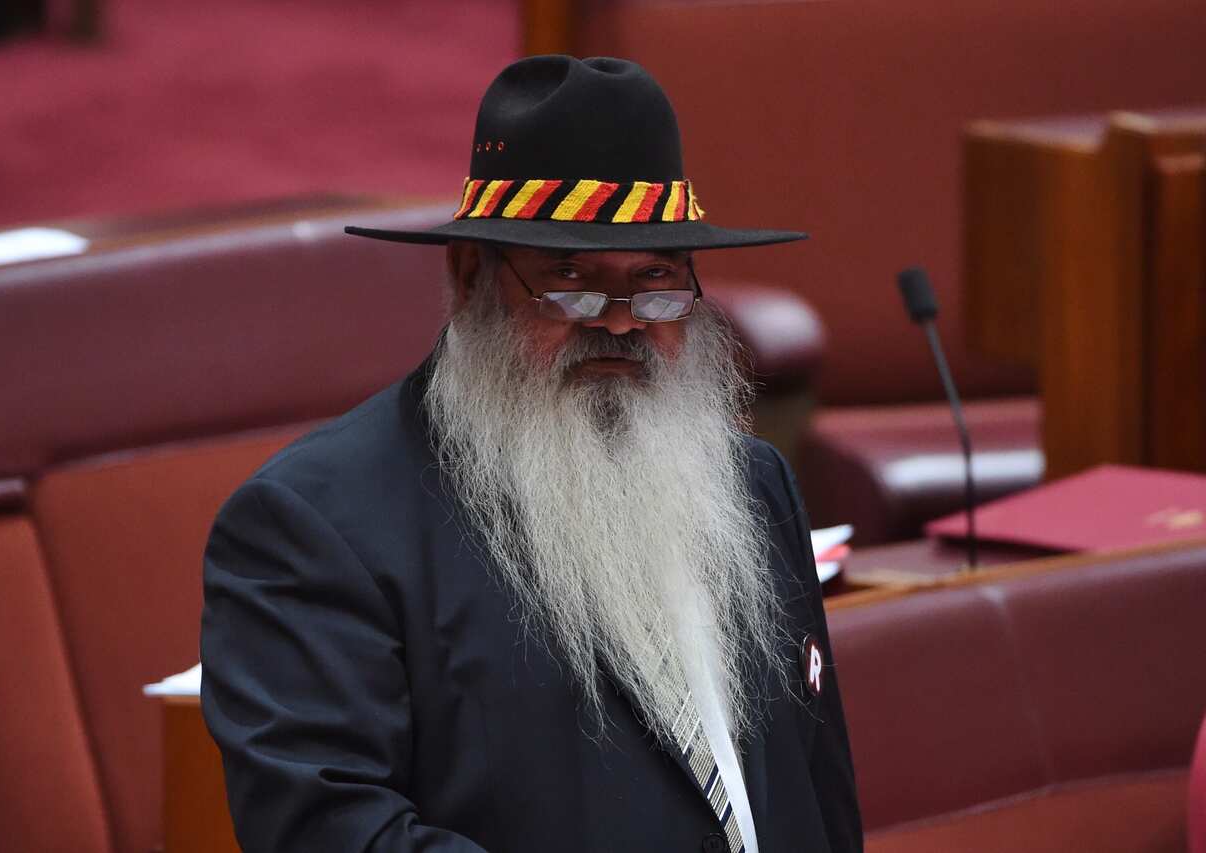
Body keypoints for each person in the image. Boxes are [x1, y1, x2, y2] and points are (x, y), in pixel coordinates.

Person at [201, 55, 861, 853]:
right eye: (571, 282)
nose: (621, 324)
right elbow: (330, 832)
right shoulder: (313, 528)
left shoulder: (754, 486)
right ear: (471, 272)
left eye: (656, 281)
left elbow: (817, 792)